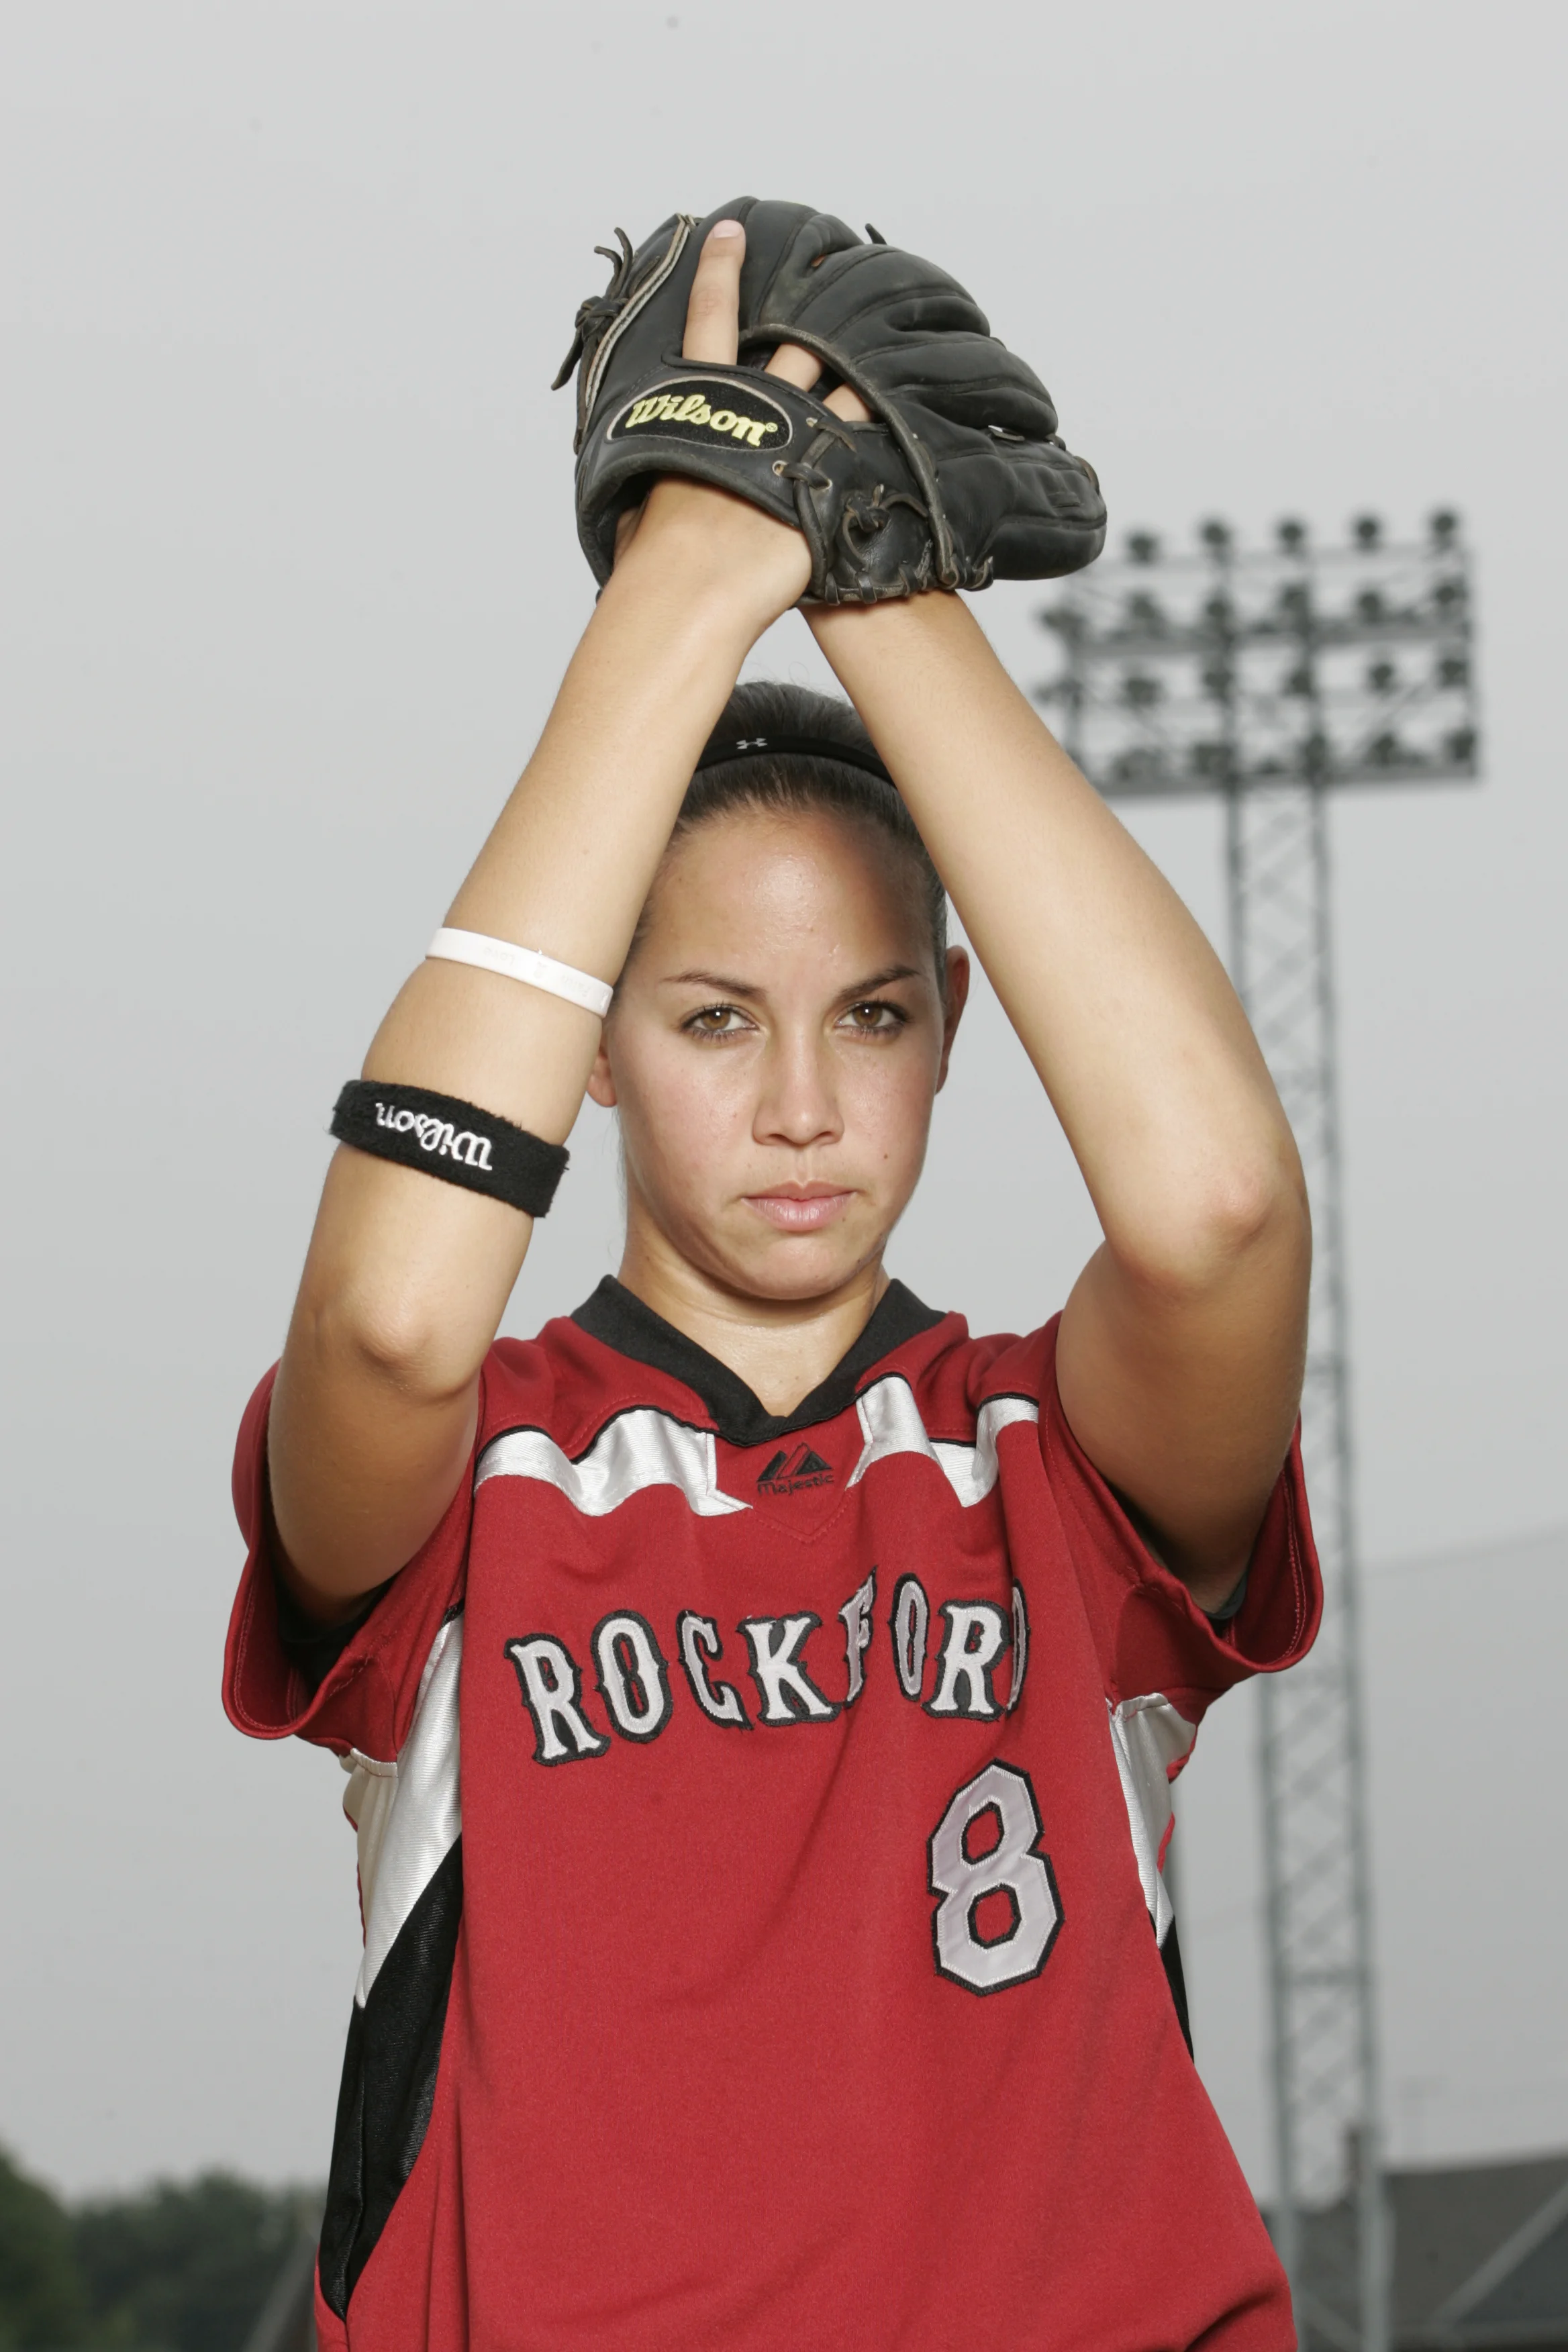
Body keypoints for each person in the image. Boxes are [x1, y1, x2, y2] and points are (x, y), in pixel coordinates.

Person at [225, 216, 1319, 2350]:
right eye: (715, 1018)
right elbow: (386, 1321)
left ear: (959, 1021)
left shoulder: (1053, 1463)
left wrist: (874, 576)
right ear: (599, 1049)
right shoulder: (484, 1488)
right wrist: (692, 581)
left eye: (877, 1016)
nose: (806, 1100)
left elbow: (1218, 1217)